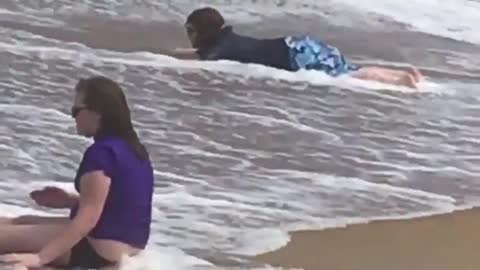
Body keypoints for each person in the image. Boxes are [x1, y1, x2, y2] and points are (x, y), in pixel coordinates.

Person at [0, 76, 154, 269]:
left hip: (96, 249)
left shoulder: (102, 153)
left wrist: (40, 258)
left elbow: (88, 219)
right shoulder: (134, 150)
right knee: (20, 221)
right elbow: (123, 203)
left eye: (76, 110)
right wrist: (70, 201)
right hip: (127, 246)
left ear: (97, 113)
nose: (73, 117)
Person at [171, 7, 424, 89]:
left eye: (190, 31)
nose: (189, 36)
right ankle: (401, 75)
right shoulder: (227, 40)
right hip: (299, 46)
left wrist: (166, 58)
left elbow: (202, 59)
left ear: (201, 31)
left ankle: (401, 80)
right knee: (348, 68)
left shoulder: (218, 49)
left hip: (294, 54)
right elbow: (203, 53)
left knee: (347, 74)